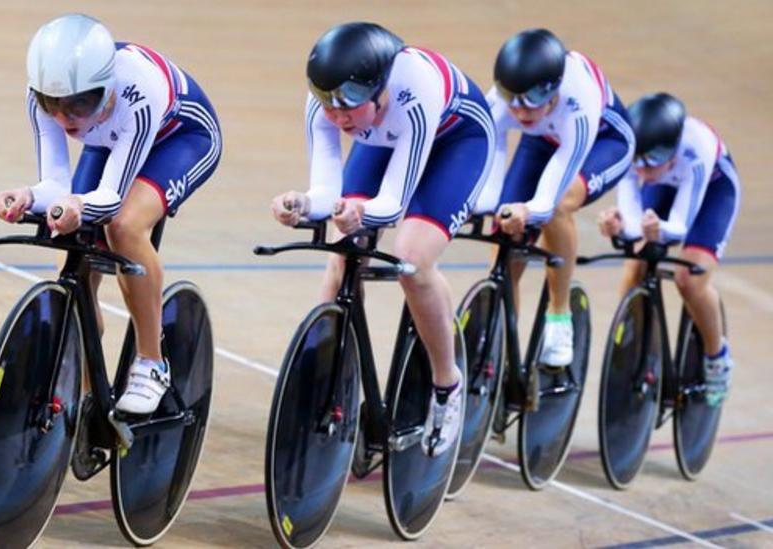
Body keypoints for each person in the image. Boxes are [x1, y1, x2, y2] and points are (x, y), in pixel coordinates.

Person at [270, 22, 495, 456]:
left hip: (458, 145)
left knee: (411, 257)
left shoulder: (416, 92)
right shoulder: (329, 101)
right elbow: (325, 194)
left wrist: (360, 212)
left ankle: (447, 385)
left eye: (348, 105)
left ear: (380, 88)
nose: (337, 117)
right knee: (342, 255)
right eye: (328, 105)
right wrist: (299, 203)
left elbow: (391, 204)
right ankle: (325, 379)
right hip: (384, 136)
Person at [0, 14, 222, 414]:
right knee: (71, 250)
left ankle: (152, 362)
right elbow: (55, 186)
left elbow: (111, 200)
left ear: (107, 87)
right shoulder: (47, 98)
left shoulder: (138, 91)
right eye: (54, 106)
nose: (66, 119)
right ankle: (86, 392)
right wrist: (28, 196)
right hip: (110, 134)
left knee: (125, 227)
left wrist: (77, 205)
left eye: (79, 103)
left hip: (182, 138)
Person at [473, 28, 635, 367]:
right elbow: (491, 146)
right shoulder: (505, 101)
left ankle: (559, 317)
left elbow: (546, 199)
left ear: (553, 91)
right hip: (544, 139)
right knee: (504, 246)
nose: (519, 111)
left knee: (558, 207)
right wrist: (492, 204)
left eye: (530, 101)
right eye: (512, 102)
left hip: (602, 143)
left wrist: (529, 209)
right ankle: (504, 351)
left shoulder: (580, 98)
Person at [597, 93, 739, 406]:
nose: (642, 172)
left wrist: (659, 230)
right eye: (638, 163)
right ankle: (630, 341)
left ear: (672, 152)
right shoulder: (637, 157)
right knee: (636, 261)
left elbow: (680, 225)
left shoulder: (696, 148)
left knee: (689, 279)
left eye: (651, 162)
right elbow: (633, 220)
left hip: (712, 193)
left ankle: (717, 355)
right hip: (664, 186)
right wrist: (619, 226)